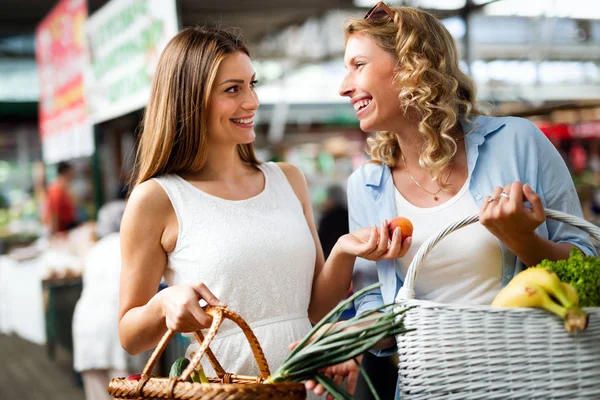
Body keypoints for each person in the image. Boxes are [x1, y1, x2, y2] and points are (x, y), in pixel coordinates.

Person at [310, 3, 597, 398]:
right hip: (428, 388)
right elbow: (380, 303)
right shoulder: (367, 185)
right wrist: (351, 334)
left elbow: (590, 272)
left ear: (412, 66)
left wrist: (524, 241)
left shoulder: (518, 142)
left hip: (535, 379)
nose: (343, 86)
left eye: (358, 65)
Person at [118, 26, 402, 398]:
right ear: (189, 99)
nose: (251, 101)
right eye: (232, 89)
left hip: (307, 387)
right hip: (225, 390)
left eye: (252, 84)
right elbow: (129, 336)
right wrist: (162, 304)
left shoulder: (287, 179)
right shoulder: (158, 198)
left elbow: (315, 310)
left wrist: (345, 249)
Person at [72, 199, 131, 400]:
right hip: (114, 323)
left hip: (86, 321)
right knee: (126, 390)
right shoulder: (130, 246)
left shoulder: (95, 249)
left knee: (97, 392)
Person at [43, 161, 78, 233]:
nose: (72, 176)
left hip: (69, 227)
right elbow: (54, 215)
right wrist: (54, 234)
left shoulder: (65, 188)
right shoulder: (56, 190)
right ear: (65, 173)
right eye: (71, 173)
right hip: (62, 231)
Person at [318, 185, 349, 259]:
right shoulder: (347, 214)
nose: (325, 201)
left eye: (327, 198)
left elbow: (320, 242)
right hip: (347, 256)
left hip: (330, 257)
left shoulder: (327, 217)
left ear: (332, 199)